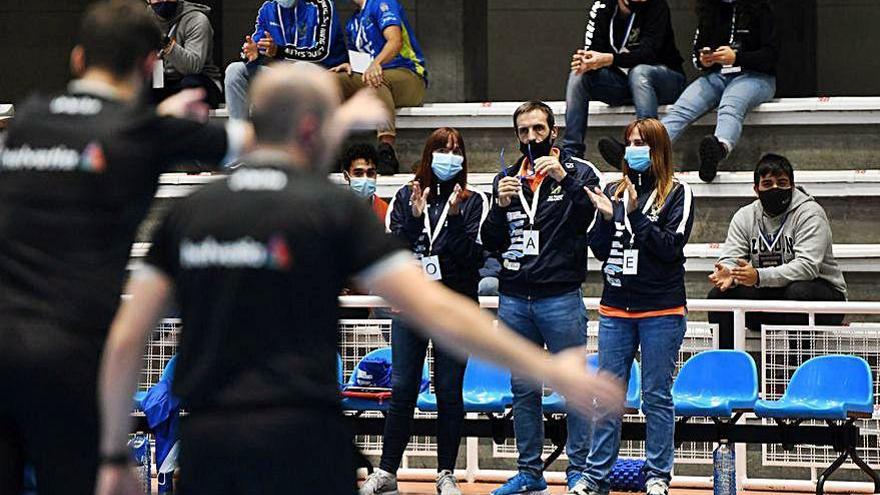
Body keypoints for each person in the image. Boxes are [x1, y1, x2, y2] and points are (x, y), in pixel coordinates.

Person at [94, 64, 624, 495]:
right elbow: (437, 310)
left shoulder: (191, 213)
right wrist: (551, 369)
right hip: (306, 442)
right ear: (310, 129)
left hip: (212, 445)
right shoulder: (329, 211)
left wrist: (114, 455)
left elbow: (124, 340)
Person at [0, 1, 249, 493]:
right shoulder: (147, 132)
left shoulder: (25, 119)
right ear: (149, 64)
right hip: (67, 358)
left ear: (76, 59)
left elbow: (88, 130)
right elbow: (255, 140)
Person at [481, 101, 603, 495]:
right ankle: (529, 471)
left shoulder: (580, 172)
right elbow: (491, 243)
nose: (530, 137)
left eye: (538, 129)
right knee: (524, 387)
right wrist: (498, 209)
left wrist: (566, 179)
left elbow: (595, 219)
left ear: (554, 130)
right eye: (523, 131)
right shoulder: (507, 178)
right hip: (515, 298)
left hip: (561, 297)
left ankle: (580, 471)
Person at [360, 128, 489, 495]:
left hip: (454, 307)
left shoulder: (473, 202)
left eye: (456, 150)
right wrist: (416, 218)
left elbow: (471, 258)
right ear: (429, 155)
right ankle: (386, 471)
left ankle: (445, 472)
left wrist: (457, 219)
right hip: (410, 307)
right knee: (402, 388)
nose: (449, 156)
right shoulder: (405, 197)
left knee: (449, 390)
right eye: (442, 149)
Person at [573, 118, 694, 495]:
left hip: (661, 309)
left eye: (641, 142)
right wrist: (610, 218)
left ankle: (658, 476)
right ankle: (595, 478)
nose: (633, 149)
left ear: (658, 149)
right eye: (630, 142)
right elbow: (598, 247)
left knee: (656, 396)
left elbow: (670, 249)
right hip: (615, 310)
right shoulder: (613, 189)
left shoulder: (678, 193)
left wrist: (634, 215)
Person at [708, 154, 847, 349]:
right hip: (773, 296)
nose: (775, 189)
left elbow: (807, 267)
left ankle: (797, 370)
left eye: (782, 183)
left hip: (821, 301)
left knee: (798, 291)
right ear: (756, 189)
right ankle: (727, 371)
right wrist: (729, 272)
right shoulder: (745, 216)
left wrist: (758, 276)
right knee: (719, 297)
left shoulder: (810, 213)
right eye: (767, 184)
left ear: (792, 185)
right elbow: (732, 256)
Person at [662, 0, 777, 182]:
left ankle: (718, 150)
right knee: (681, 108)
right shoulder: (709, 9)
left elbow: (771, 56)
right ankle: (646, 152)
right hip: (718, 75)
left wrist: (737, 58)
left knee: (730, 104)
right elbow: (696, 55)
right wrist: (704, 59)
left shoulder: (763, 9)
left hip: (757, 76)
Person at [562, 0, 685, 161]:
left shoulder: (657, 5)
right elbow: (594, 49)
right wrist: (588, 61)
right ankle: (572, 153)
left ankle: (648, 149)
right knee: (579, 74)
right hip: (623, 84)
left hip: (665, 81)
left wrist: (609, 59)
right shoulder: (603, 6)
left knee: (639, 72)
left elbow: (649, 53)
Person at [331, 0, 428, 175]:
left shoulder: (382, 3)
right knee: (332, 80)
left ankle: (386, 150)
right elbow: (360, 61)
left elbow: (395, 41)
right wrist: (348, 65)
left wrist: (376, 64)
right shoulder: (353, 21)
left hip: (409, 74)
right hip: (372, 78)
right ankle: (332, 149)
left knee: (376, 79)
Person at [224, 0, 350, 120]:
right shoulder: (268, 8)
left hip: (321, 74)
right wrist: (251, 54)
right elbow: (259, 45)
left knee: (300, 67)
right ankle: (239, 133)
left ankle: (296, 134)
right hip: (285, 75)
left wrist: (279, 51)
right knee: (235, 70)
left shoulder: (322, 5)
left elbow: (320, 53)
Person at [147, 0, 223, 108]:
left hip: (200, 79)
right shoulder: (145, 20)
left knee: (190, 84)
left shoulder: (196, 19)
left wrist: (165, 43)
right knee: (141, 87)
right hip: (162, 79)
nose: (164, 0)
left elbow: (193, 67)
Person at [342, 142, 388, 222]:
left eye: (370, 173)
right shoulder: (335, 211)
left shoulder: (385, 210)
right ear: (346, 176)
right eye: (358, 173)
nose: (365, 178)